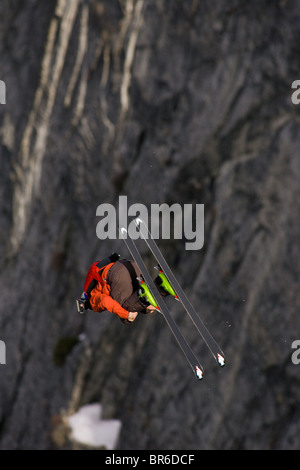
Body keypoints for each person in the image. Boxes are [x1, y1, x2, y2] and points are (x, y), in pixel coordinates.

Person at [76, 253, 163, 324]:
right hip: (130, 265)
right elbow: (101, 264)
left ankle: (154, 294)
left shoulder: (92, 300)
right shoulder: (93, 284)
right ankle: (162, 286)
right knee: (142, 304)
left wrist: (126, 315)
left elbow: (105, 301)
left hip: (117, 275)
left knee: (127, 310)